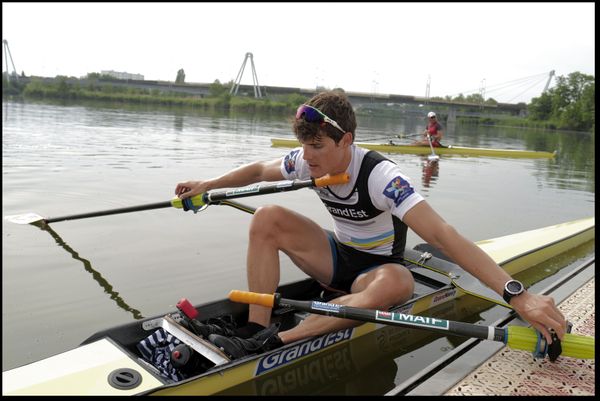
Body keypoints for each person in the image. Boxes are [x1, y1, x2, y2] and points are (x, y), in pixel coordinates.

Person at [175, 91, 566, 359]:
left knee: (400, 282)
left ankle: (275, 343)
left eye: (318, 148)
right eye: (305, 147)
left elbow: (441, 234)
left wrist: (517, 294)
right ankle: (253, 329)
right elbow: (259, 169)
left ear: (346, 140)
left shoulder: (383, 177)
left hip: (377, 271)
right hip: (335, 258)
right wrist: (209, 185)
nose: (306, 158)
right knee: (267, 217)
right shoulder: (306, 159)